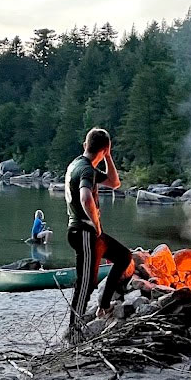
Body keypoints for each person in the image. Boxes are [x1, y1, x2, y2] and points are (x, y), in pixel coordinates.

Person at [65, 127, 133, 341]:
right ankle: (74, 331)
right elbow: (85, 198)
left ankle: (103, 306)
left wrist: (108, 156)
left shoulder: (80, 164)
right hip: (84, 231)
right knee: (86, 282)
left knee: (123, 256)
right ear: (102, 149)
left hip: (89, 233)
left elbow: (115, 183)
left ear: (86, 145)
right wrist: (95, 223)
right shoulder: (85, 170)